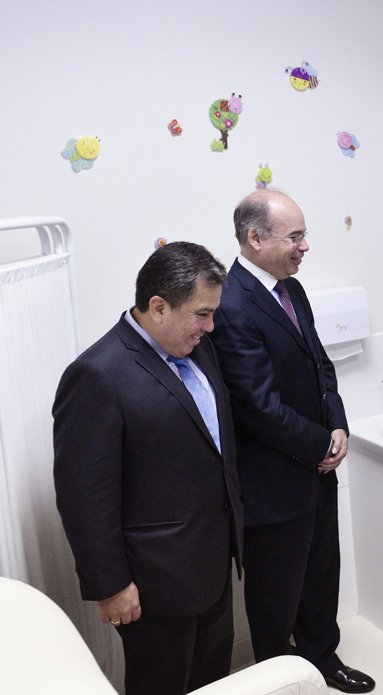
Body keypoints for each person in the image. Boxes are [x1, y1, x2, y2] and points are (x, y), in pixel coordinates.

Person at [53, 242, 243, 694]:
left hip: (213, 563)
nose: (211, 327)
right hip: (155, 583)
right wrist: (111, 585)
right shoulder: (97, 375)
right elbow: (84, 497)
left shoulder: (199, 349)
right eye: (202, 314)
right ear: (158, 307)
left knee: (213, 679)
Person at [209, 189, 375, 694]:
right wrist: (320, 446)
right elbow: (258, 406)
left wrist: (338, 425)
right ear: (255, 238)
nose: (305, 247)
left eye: (305, 235)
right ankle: (281, 680)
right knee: (275, 596)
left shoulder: (291, 289)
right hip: (273, 483)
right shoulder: (232, 304)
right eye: (295, 237)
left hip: (315, 471)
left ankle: (324, 659)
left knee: (321, 576)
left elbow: (321, 365)